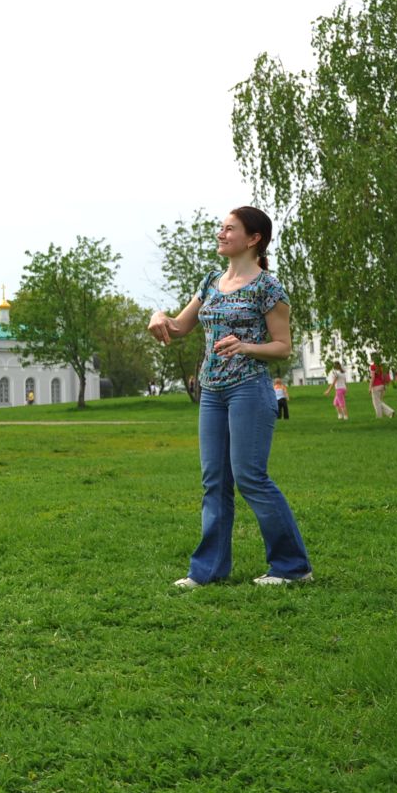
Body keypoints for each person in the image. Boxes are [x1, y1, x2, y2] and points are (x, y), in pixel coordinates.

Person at [149, 207, 313, 588]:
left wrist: (245, 347)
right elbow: (180, 326)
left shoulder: (268, 288)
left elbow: (283, 348)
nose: (221, 234)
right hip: (212, 392)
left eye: (229, 228)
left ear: (253, 239)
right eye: (221, 228)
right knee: (214, 480)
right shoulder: (210, 281)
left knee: (250, 477)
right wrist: (160, 316)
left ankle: (293, 567)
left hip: (249, 389)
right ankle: (207, 571)